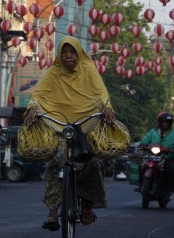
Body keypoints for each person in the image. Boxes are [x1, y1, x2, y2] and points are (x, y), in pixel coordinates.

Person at [23, 36, 115, 231]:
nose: (68, 56)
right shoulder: (54, 72)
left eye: (72, 52)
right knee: (53, 162)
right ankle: (53, 213)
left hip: (87, 124)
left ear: (79, 53)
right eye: (64, 52)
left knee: (93, 162)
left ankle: (87, 206)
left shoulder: (89, 69)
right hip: (60, 127)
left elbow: (101, 93)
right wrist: (32, 107)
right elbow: (38, 94)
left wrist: (107, 107)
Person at [139, 112, 174, 193]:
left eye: (168, 122)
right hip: (151, 157)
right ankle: (141, 184)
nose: (166, 124)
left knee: (172, 169)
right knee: (141, 165)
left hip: (166, 158)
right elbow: (144, 140)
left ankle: (172, 187)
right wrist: (142, 144)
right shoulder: (153, 132)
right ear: (160, 122)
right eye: (164, 122)